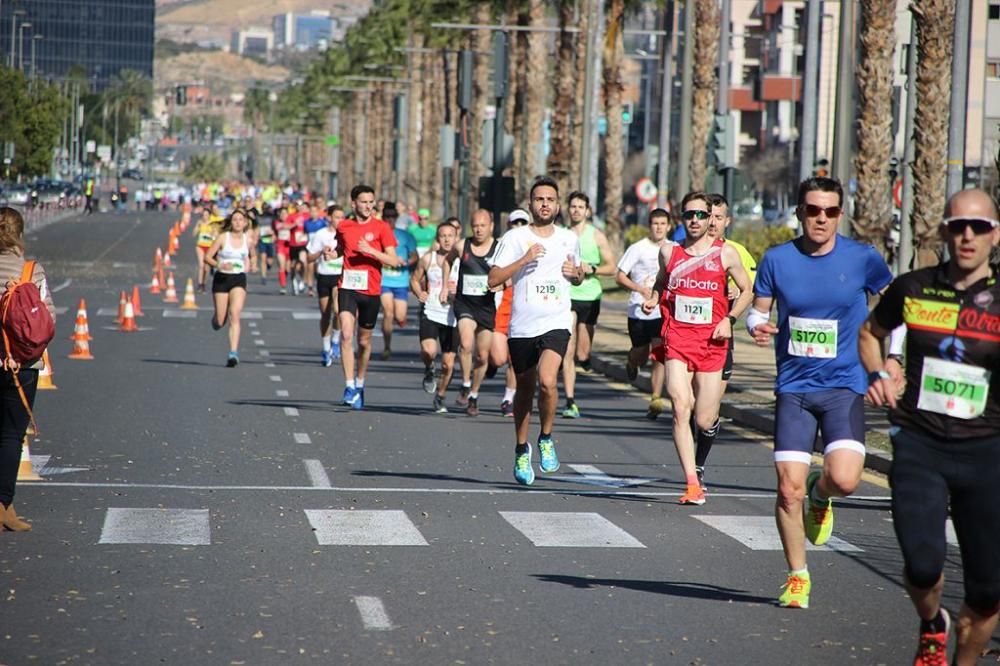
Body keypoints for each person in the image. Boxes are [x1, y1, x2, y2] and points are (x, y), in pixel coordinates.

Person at [859, 188, 1000, 665]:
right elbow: (869, 333)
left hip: (987, 450)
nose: (967, 236)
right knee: (923, 564)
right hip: (921, 443)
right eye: (958, 226)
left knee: (987, 590)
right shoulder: (913, 288)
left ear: (993, 236)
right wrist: (879, 373)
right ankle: (931, 621)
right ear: (943, 231)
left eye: (978, 228)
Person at [745, 176, 892, 610]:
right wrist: (758, 327)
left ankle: (821, 493)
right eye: (813, 210)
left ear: (840, 215)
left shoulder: (863, 258)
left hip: (845, 385)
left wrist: (891, 357)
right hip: (794, 387)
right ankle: (797, 576)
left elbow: (895, 304)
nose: (821, 219)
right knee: (786, 489)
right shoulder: (777, 259)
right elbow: (757, 312)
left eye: (829, 211)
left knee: (845, 479)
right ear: (799, 212)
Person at [644, 191, 753, 506]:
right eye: (689, 215)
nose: (695, 220)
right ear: (682, 218)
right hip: (677, 338)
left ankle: (700, 458)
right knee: (680, 406)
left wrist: (730, 319)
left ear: (710, 219)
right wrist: (653, 297)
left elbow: (747, 290)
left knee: (704, 420)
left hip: (712, 343)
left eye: (701, 215)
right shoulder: (668, 252)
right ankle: (692, 484)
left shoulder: (726, 254)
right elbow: (662, 282)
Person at [488, 176, 584, 485]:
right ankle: (520, 447)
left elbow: (578, 274)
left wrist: (578, 275)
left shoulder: (569, 238)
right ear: (531, 205)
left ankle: (545, 437)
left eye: (550, 199)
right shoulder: (514, 238)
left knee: (547, 381)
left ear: (558, 206)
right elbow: (493, 279)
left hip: (556, 322)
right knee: (525, 391)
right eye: (539, 199)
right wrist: (524, 259)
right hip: (522, 327)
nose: (545, 204)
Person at [693, 193, 759, 486]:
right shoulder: (688, 250)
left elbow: (752, 290)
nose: (713, 223)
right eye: (710, 216)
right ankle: (690, 466)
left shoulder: (736, 252)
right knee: (688, 404)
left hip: (719, 341)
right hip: (687, 339)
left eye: (719, 218)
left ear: (726, 221)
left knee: (706, 415)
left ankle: (698, 464)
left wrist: (732, 308)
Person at [0, 207, 55, 531]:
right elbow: (46, 322)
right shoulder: (31, 271)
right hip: (22, 365)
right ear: (20, 234)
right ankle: (4, 507)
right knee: (10, 436)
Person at [335, 185, 401, 410]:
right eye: (363, 202)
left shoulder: (381, 228)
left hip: (371, 291)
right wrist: (331, 253)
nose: (368, 206)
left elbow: (394, 260)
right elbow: (340, 248)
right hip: (348, 287)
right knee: (346, 334)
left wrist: (371, 251)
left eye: (371, 202)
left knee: (363, 341)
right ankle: (349, 385)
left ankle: (360, 382)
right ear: (353, 203)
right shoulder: (344, 225)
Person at [561, 191, 616, 419]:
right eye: (572, 206)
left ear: (587, 211)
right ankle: (570, 401)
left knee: (583, 351)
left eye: (580, 207)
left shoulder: (597, 236)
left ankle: (586, 359)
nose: (576, 210)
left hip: (590, 296)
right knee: (569, 349)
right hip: (567, 296)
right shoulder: (561, 235)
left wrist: (592, 268)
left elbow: (611, 267)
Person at [616, 208, 670, 420]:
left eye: (662, 224)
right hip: (638, 311)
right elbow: (619, 276)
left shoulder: (673, 249)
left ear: (668, 226)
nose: (658, 228)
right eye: (655, 223)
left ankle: (655, 397)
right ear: (650, 225)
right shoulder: (637, 248)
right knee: (641, 354)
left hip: (661, 311)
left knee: (659, 354)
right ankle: (632, 363)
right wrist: (639, 289)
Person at [453, 210, 497, 416]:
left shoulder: (499, 249)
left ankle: (474, 395)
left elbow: (507, 272)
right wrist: (447, 283)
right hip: (465, 305)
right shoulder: (462, 246)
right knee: (466, 343)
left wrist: (503, 284)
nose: (479, 230)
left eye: (483, 225)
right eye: (475, 226)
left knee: (482, 355)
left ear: (491, 226)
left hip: (486, 308)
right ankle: (465, 382)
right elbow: (446, 260)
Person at [411, 224, 459, 413]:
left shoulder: (462, 261)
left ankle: (440, 395)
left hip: (453, 316)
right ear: (437, 239)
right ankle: (429, 368)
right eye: (443, 236)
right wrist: (419, 292)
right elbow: (414, 279)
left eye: (450, 236)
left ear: (456, 238)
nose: (447, 239)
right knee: (429, 351)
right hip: (431, 311)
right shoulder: (427, 259)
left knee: (448, 364)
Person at [489, 210, 531, 417]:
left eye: (523, 222)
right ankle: (490, 364)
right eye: (516, 223)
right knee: (498, 359)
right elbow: (491, 278)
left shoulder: (534, 249)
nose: (519, 226)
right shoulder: (501, 247)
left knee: (515, 360)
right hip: (502, 310)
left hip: (522, 312)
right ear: (509, 225)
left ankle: (508, 398)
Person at [205, 209, 257, 367]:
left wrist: (251, 264)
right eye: (235, 220)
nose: (238, 222)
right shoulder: (223, 238)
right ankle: (216, 320)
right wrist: (219, 264)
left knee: (235, 313)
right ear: (231, 222)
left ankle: (233, 353)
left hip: (238, 279)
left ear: (245, 223)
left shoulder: (248, 240)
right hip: (221, 279)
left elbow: (252, 255)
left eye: (241, 220)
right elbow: (208, 257)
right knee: (221, 320)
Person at [307, 205, 345, 366]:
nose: (340, 220)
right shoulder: (320, 234)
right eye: (337, 217)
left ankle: (336, 340)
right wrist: (320, 253)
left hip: (340, 277)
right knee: (325, 314)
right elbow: (309, 258)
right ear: (329, 217)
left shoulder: (346, 234)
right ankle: (326, 348)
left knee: (338, 311)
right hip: (324, 276)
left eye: (342, 217)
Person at [379, 208, 418, 360]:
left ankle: (401, 319)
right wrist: (386, 260)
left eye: (392, 216)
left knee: (399, 315)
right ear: (382, 217)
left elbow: (415, 256)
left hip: (401, 280)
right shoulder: (379, 235)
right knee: (388, 313)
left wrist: (406, 262)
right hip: (384, 280)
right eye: (386, 216)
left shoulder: (405, 236)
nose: (389, 219)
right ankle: (387, 347)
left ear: (396, 218)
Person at [192, 208, 220, 293]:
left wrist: (212, 234)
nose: (205, 217)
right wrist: (197, 226)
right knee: (201, 265)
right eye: (203, 215)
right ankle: (199, 284)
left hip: (209, 247)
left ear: (209, 216)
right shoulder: (200, 222)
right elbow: (193, 234)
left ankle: (204, 283)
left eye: (207, 215)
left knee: (206, 268)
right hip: (200, 246)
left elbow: (216, 235)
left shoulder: (212, 224)